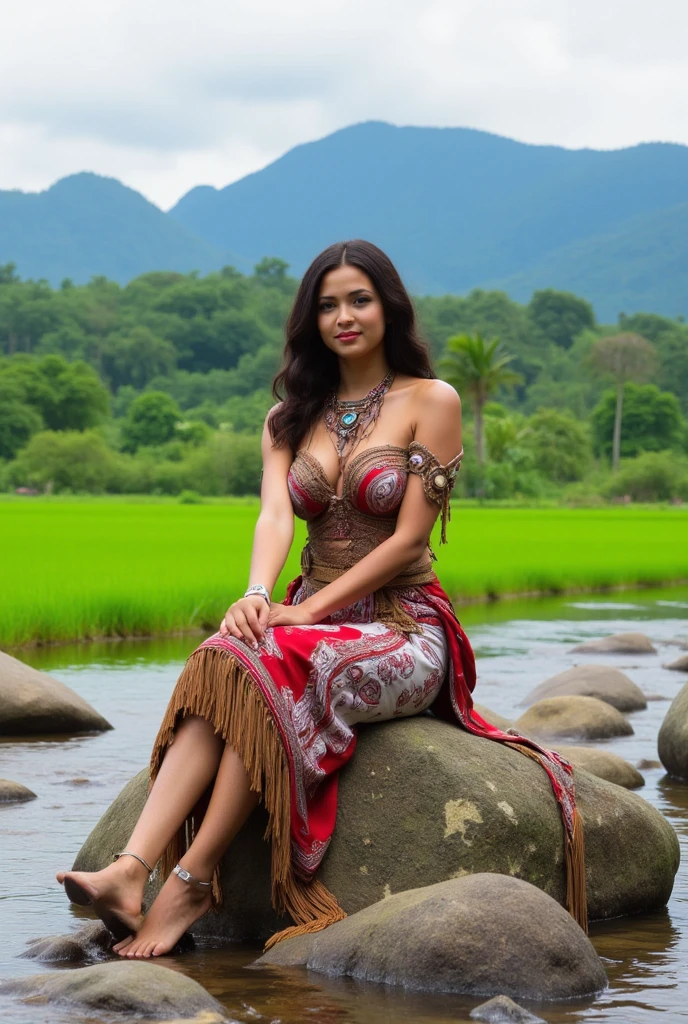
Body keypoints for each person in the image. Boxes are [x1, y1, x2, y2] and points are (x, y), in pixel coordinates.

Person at [57, 240, 585, 959]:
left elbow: (406, 542)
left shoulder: (431, 401)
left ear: (388, 306)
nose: (344, 316)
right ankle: (129, 870)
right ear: (310, 319)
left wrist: (306, 611)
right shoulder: (287, 419)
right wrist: (256, 594)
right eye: (328, 304)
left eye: (359, 299)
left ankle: (192, 878)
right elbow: (276, 517)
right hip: (307, 620)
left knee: (284, 662)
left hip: (405, 628)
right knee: (226, 653)